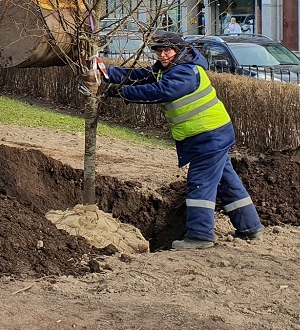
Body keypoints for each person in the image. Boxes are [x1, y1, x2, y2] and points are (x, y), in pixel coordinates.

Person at [84, 31, 263, 249]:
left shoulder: (187, 72)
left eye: (166, 50)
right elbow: (138, 76)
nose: (162, 55)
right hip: (211, 134)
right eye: (158, 51)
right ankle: (250, 227)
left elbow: (160, 91)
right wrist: (105, 72)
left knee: (201, 182)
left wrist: (115, 92)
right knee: (227, 182)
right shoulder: (167, 69)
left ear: (180, 51)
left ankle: (200, 236)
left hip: (209, 136)